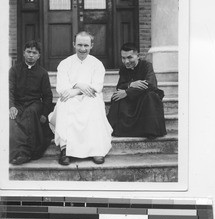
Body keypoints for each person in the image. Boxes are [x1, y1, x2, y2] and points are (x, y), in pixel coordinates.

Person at [49, 31, 112, 166]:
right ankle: (65, 149)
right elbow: (62, 88)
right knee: (65, 102)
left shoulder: (97, 64)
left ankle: (96, 149)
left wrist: (76, 90)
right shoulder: (65, 63)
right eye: (79, 45)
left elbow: (96, 87)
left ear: (91, 46)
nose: (82, 49)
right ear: (73, 44)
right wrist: (78, 84)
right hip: (70, 98)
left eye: (86, 45)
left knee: (94, 102)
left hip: (89, 97)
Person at [107, 42, 167, 138]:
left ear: (138, 56)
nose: (126, 61)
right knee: (116, 97)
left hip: (144, 99)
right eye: (123, 58)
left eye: (130, 57)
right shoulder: (123, 68)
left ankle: (148, 130)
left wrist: (128, 92)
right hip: (132, 99)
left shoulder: (147, 66)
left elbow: (150, 84)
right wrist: (131, 84)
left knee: (151, 96)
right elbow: (120, 86)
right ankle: (121, 130)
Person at [9, 40, 53, 165]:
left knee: (30, 112)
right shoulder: (14, 70)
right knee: (13, 117)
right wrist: (11, 106)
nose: (31, 55)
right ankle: (17, 153)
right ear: (23, 53)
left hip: (35, 104)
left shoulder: (42, 73)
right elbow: (9, 91)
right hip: (18, 103)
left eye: (34, 52)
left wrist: (44, 113)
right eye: (28, 52)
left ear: (38, 55)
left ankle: (26, 152)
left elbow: (47, 96)